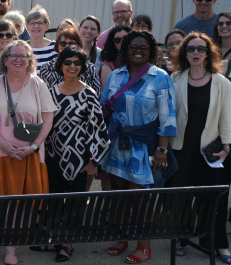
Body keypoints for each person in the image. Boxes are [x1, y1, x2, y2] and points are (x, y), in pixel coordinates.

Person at [0, 41, 57, 265]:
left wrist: (34, 147)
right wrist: (4, 145)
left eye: (23, 56)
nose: (18, 59)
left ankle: (11, 250)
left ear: (29, 60)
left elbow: (48, 120)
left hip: (29, 153)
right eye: (14, 56)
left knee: (19, 202)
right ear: (5, 60)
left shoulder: (38, 84)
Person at [99, 31, 176, 264]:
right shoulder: (115, 76)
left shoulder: (160, 77)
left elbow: (168, 117)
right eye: (133, 47)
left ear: (151, 50)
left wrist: (162, 150)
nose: (138, 51)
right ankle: (121, 238)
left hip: (143, 146)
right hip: (116, 145)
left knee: (140, 197)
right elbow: (104, 108)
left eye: (143, 47)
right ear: (126, 50)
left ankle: (144, 245)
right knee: (119, 195)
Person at [37, 47, 109, 262]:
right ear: (60, 65)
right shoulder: (51, 91)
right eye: (67, 62)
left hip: (80, 159)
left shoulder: (88, 94)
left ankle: (67, 243)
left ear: (82, 67)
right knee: (52, 198)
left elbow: (99, 130)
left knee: (75, 201)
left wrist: (93, 162)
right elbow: (44, 124)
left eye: (77, 63)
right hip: (53, 156)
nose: (72, 66)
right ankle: (51, 239)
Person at [166, 32, 231, 261]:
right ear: (184, 52)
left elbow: (226, 117)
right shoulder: (175, 79)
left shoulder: (222, 83)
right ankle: (182, 238)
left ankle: (219, 244)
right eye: (191, 48)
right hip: (180, 149)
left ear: (208, 53)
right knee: (181, 198)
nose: (195, 52)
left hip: (210, 152)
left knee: (214, 200)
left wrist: (226, 147)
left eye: (201, 48)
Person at [36, 28, 101, 92]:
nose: (67, 46)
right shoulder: (46, 68)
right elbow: (40, 94)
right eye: (63, 43)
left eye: (71, 43)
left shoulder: (90, 68)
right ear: (57, 45)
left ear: (78, 45)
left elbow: (96, 94)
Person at [98, 25, 132, 89]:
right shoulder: (108, 64)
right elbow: (109, 92)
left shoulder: (139, 60)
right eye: (117, 40)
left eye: (125, 38)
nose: (122, 42)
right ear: (112, 43)